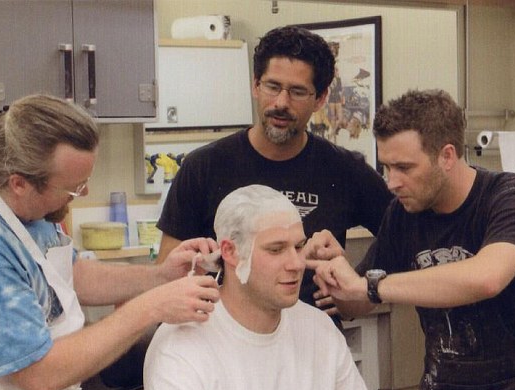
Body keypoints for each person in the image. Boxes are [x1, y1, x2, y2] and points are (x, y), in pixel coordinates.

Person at [0, 94, 220, 390]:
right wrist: (151, 307)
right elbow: (39, 375)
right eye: (75, 189)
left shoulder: (10, 191)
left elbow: (66, 275)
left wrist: (160, 277)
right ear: (20, 183)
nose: (84, 193)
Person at [308, 89, 515, 390]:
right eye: (386, 167)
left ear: (447, 155)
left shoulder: (513, 199)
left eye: (404, 168)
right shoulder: (403, 214)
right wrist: (337, 274)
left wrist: (371, 286)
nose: (392, 182)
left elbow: (486, 278)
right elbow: (357, 302)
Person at [143, 184, 455, 390]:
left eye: (298, 246)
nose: (296, 263)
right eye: (276, 249)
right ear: (231, 252)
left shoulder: (316, 328)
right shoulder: (182, 345)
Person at [155, 25, 392, 327]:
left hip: (311, 342)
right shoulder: (204, 167)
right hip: (221, 341)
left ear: (320, 98)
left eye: (297, 92)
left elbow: (405, 232)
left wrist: (357, 286)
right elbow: (167, 277)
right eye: (272, 86)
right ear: (255, 85)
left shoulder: (345, 170)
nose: (281, 102)